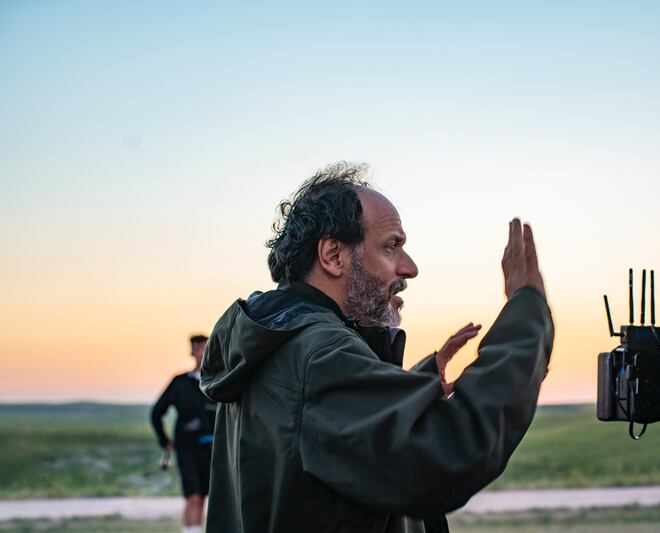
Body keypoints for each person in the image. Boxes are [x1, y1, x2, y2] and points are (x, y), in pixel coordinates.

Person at [200, 162, 554, 533]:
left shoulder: (275, 339)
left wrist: (420, 383)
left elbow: (322, 447)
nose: (409, 267)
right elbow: (447, 456)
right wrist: (526, 315)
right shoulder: (318, 355)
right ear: (333, 256)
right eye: (391, 247)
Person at [151, 334, 216, 533]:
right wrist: (164, 440)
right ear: (192, 352)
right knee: (192, 495)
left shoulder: (217, 382)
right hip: (187, 446)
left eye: (206, 348)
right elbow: (156, 412)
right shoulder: (180, 383)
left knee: (204, 496)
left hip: (213, 447)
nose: (202, 353)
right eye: (199, 349)